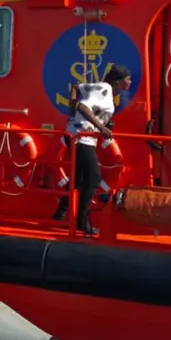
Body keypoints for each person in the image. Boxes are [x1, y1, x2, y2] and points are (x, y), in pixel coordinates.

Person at [51, 65, 133, 235]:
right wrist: (101, 127)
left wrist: (71, 115)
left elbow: (76, 87)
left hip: (77, 134)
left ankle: (60, 214)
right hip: (82, 137)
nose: (130, 82)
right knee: (93, 179)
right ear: (118, 82)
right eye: (128, 79)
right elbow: (83, 106)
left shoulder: (98, 86)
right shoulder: (104, 89)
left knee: (79, 179)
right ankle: (82, 222)